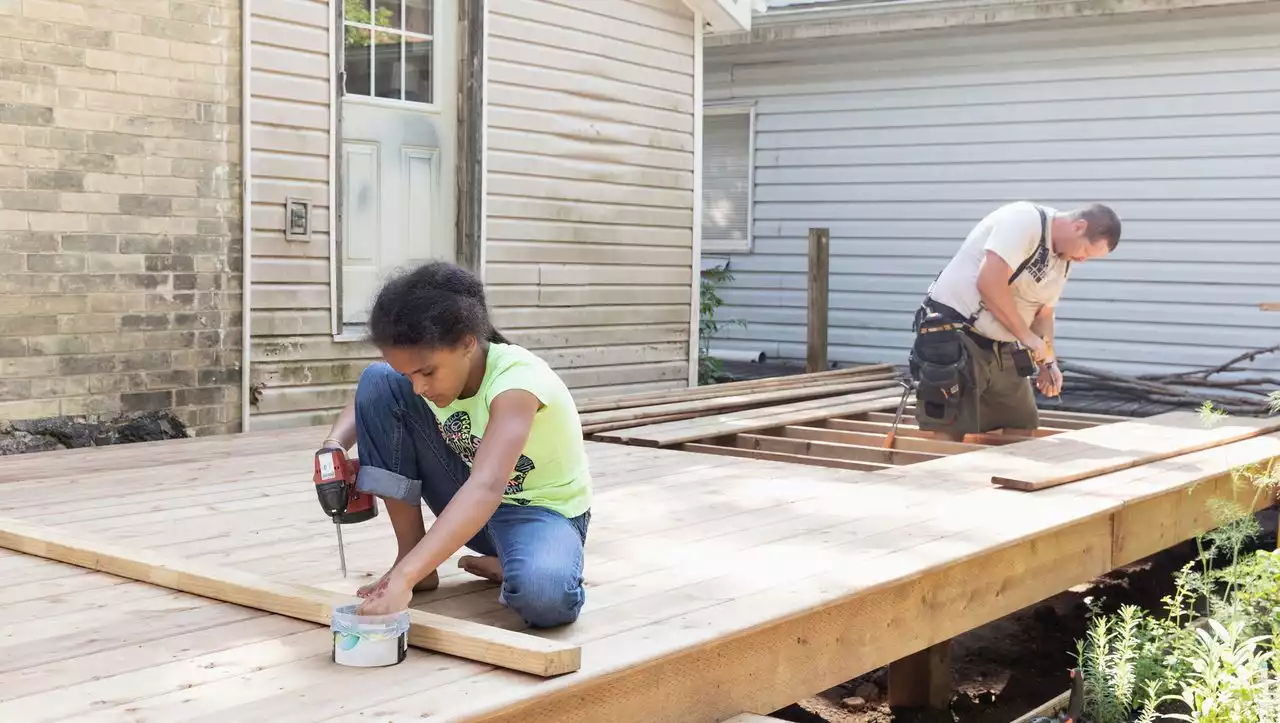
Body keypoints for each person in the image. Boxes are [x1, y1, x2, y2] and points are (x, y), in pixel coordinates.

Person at [319, 261, 592, 627]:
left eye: (426, 372)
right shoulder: (434, 372)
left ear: (467, 343)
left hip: (538, 513)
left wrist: (402, 582)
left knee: (544, 597)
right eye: (409, 374)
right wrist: (333, 444)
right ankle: (413, 558)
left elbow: (487, 486)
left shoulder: (517, 383)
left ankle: (510, 564)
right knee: (378, 381)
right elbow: (371, 394)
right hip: (467, 505)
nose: (418, 387)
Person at [908, 201, 1121, 441]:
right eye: (1086, 252)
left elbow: (1043, 314)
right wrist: (1028, 338)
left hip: (1004, 342)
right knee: (948, 428)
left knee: (1021, 422)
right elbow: (989, 283)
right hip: (957, 333)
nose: (1083, 260)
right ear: (1079, 227)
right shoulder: (1024, 221)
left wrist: (1047, 361)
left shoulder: (1063, 259)